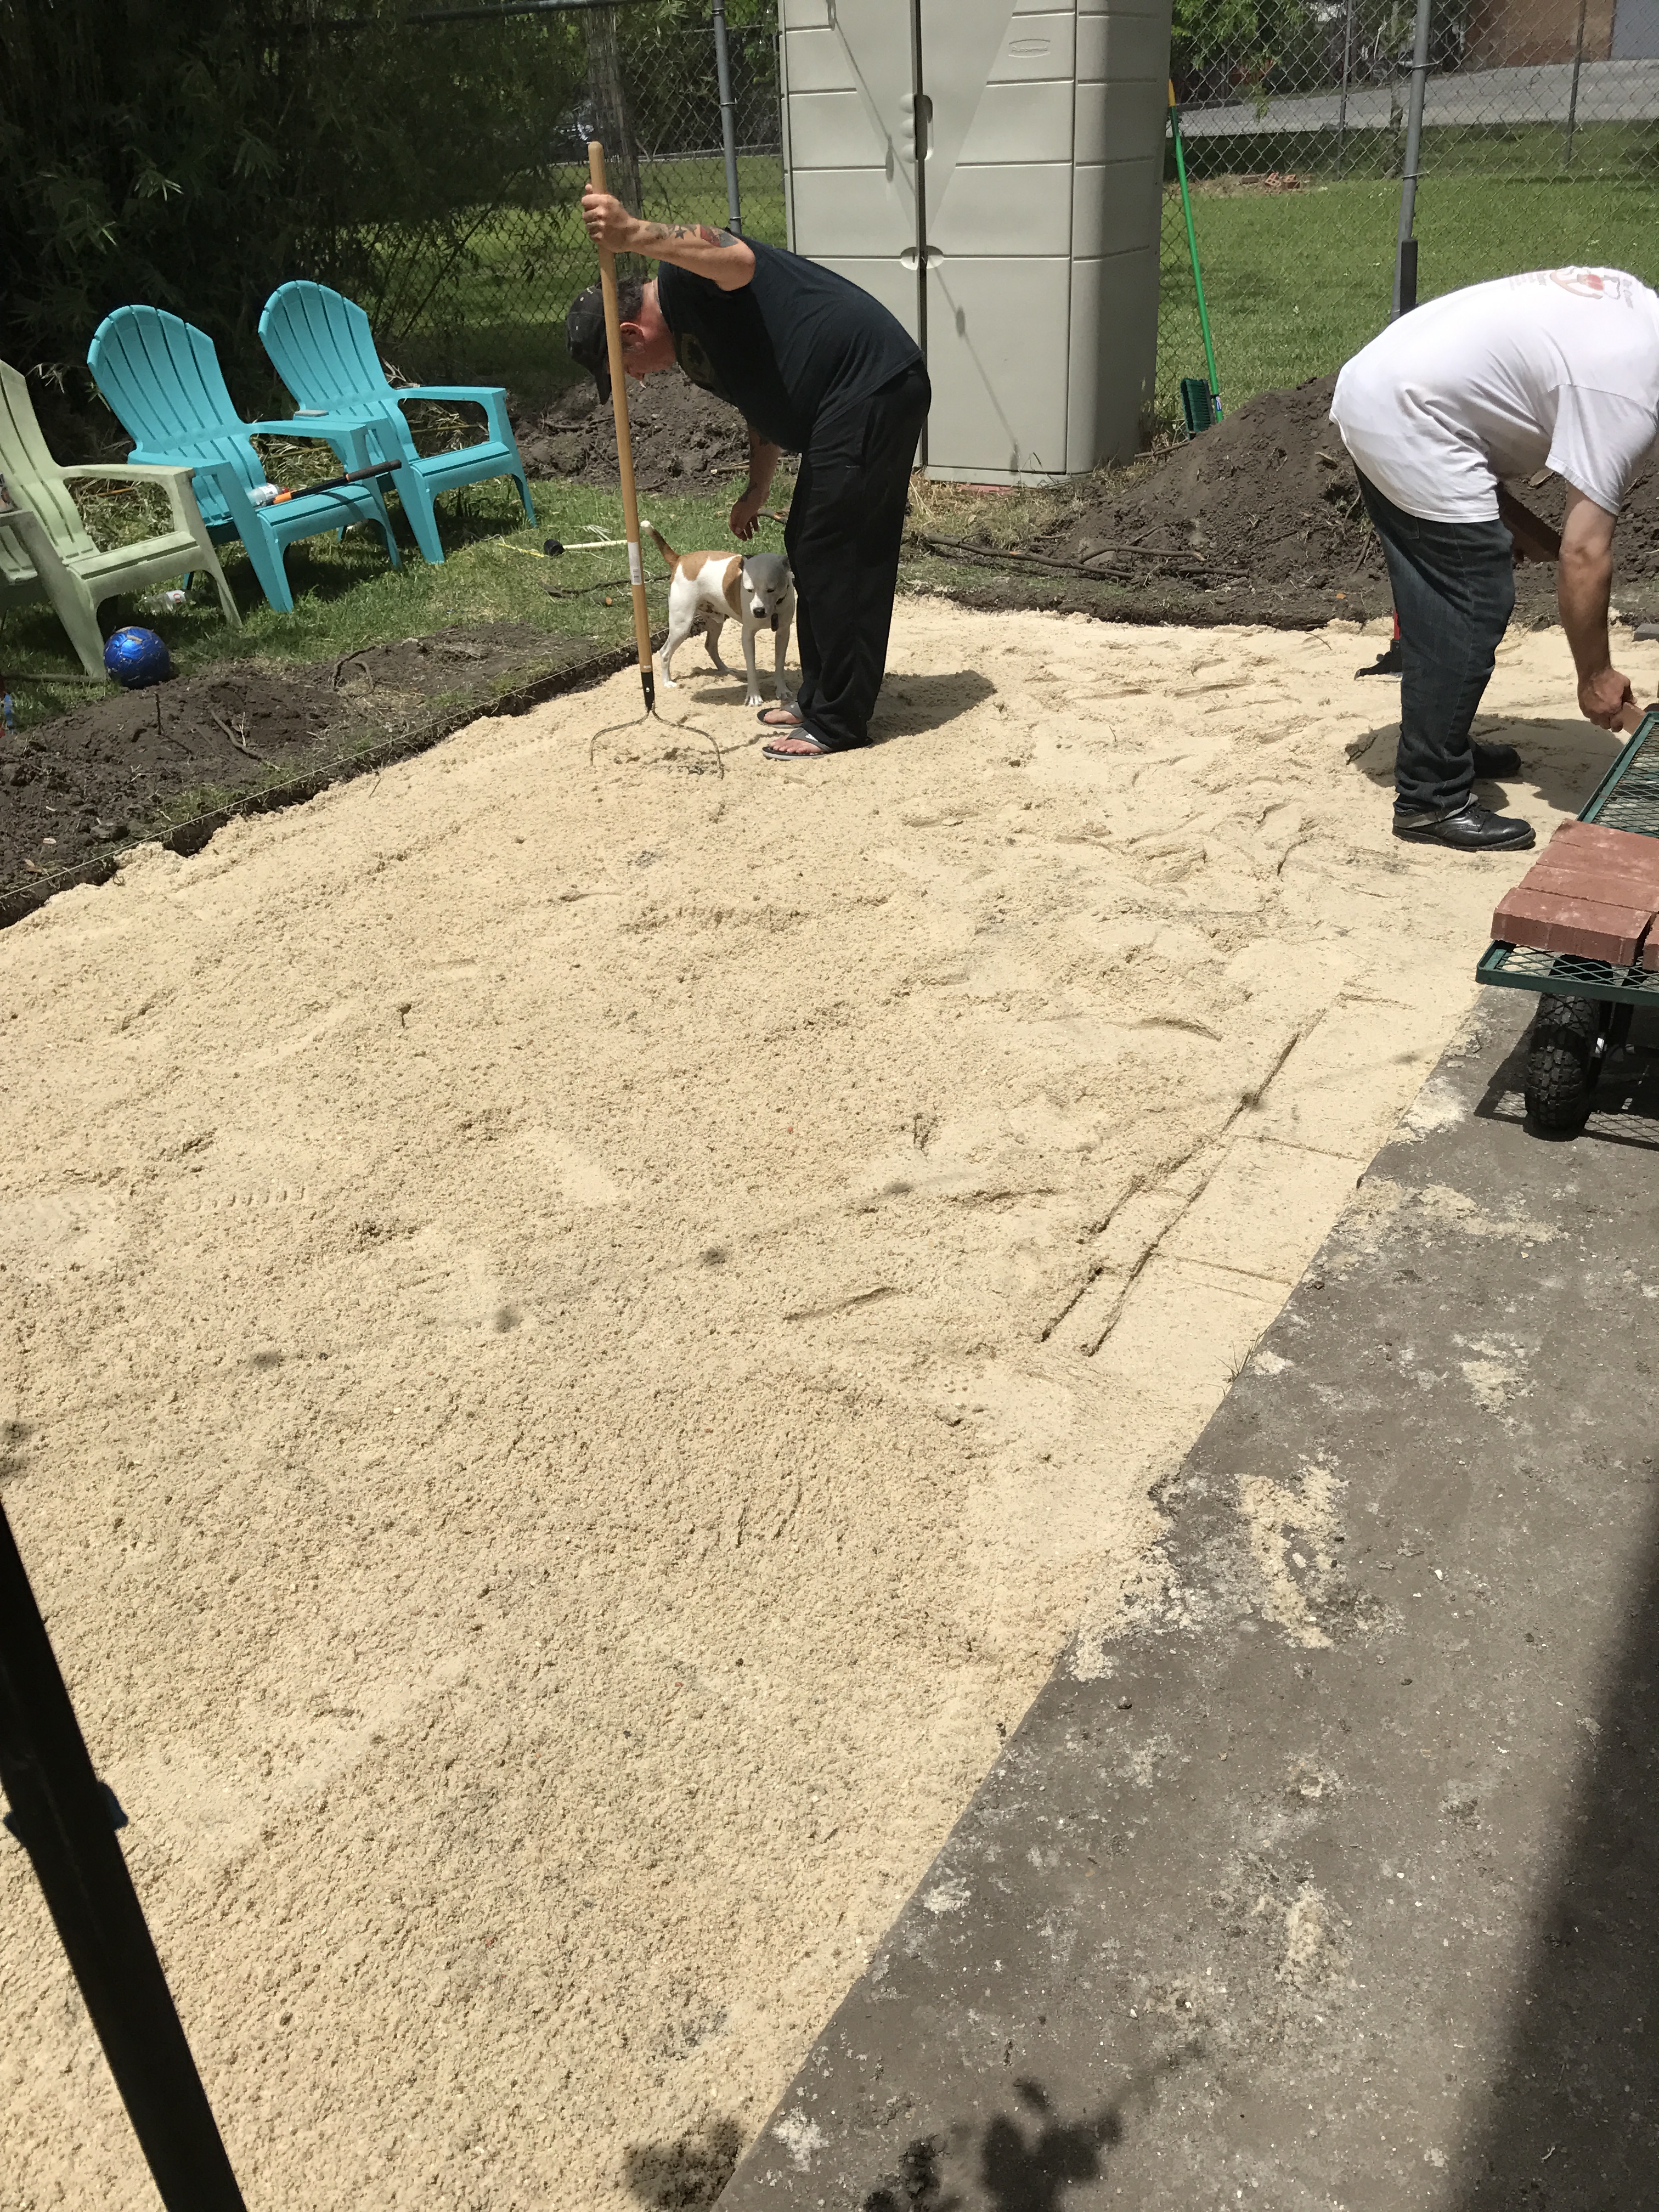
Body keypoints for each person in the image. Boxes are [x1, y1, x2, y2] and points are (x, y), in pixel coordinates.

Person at [567, 198, 929, 760]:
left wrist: (631, 232)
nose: (635, 379)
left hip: (871, 384)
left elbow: (738, 258)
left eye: (624, 368)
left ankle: (839, 721)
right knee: (808, 541)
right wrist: (758, 487)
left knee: (838, 549)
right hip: (848, 401)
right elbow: (761, 403)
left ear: (631, 334)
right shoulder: (696, 348)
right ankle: (821, 698)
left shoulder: (685, 280)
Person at [1330, 266, 1659, 852]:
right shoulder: (1628, 397)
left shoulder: (1637, 309)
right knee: (1471, 599)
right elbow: (1585, 553)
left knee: (1449, 593)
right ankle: (1430, 798)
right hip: (1409, 410)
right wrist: (1595, 677)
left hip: (1395, 385)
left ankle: (1443, 739)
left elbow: (1493, 390)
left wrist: (1521, 528)